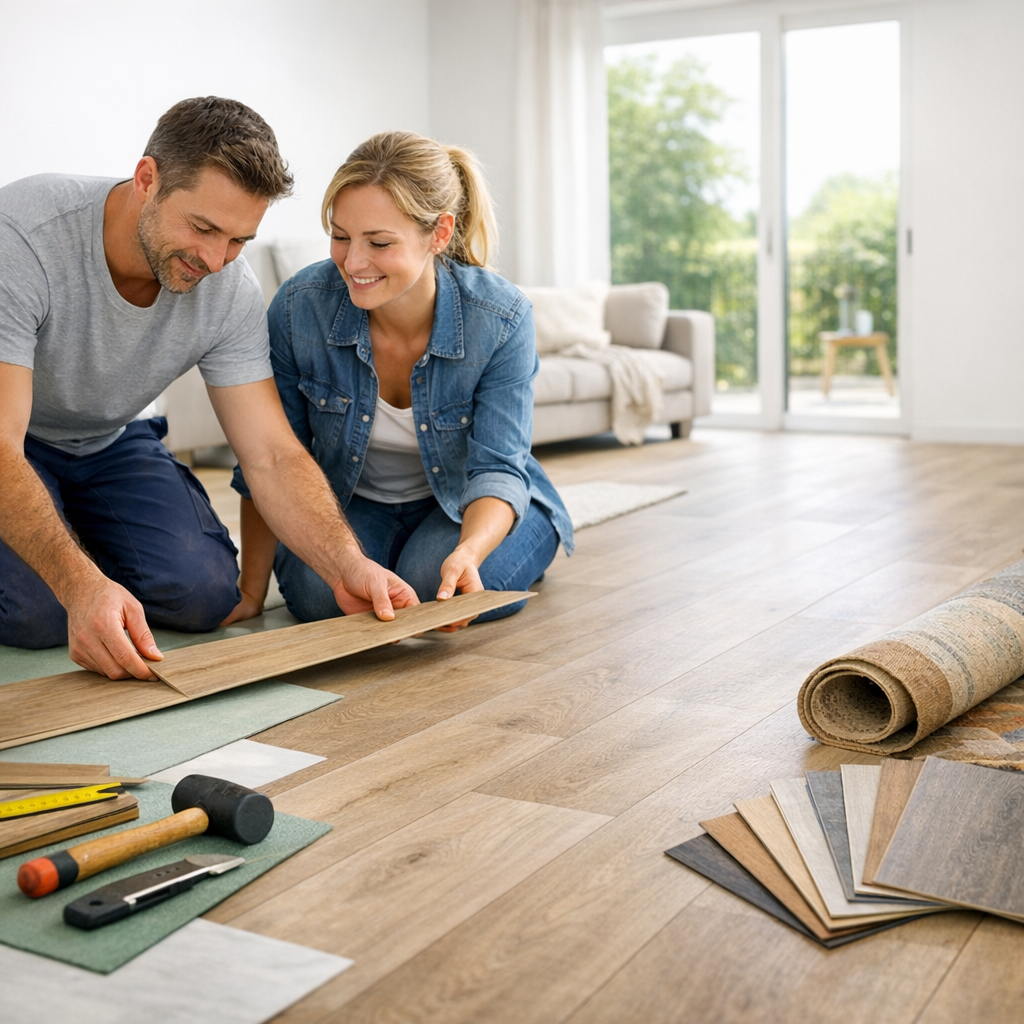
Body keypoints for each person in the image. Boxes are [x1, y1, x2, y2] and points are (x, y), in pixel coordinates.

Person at [0, 97, 418, 680]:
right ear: (148, 179)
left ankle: (67, 532)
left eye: (239, 241)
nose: (216, 260)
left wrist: (347, 564)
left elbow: (270, 454)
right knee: (38, 611)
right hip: (13, 441)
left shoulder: (229, 288)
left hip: (110, 441)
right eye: (202, 228)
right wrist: (78, 584)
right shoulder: (22, 237)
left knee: (204, 593)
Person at [227, 131, 573, 630]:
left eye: (380, 242)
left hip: (466, 502)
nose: (353, 262)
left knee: (434, 585)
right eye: (341, 236)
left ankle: (511, 543)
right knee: (320, 597)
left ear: (438, 234)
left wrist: (471, 553)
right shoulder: (299, 308)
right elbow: (270, 458)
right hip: (352, 502)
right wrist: (250, 589)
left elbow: (498, 467)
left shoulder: (500, 317)